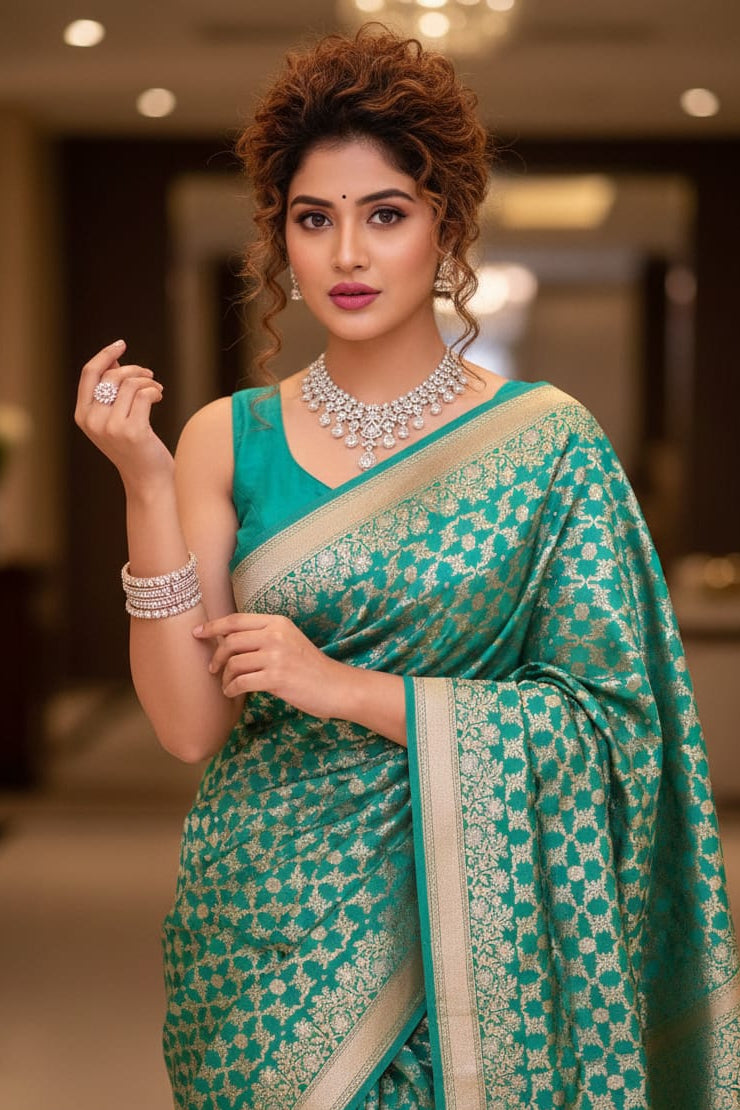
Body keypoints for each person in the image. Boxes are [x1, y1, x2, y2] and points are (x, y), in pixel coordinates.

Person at [75, 26, 739, 1110]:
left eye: (384, 214)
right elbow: (189, 729)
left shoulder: (546, 444)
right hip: (265, 924)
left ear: (445, 229)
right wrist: (145, 489)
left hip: (479, 935)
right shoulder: (220, 439)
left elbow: (618, 729)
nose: (346, 255)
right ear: (277, 239)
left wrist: (338, 687)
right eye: (312, 219)